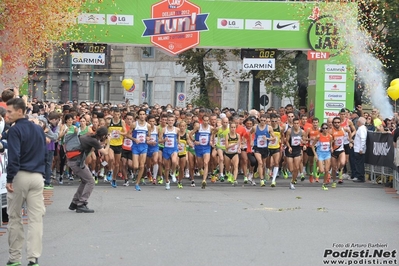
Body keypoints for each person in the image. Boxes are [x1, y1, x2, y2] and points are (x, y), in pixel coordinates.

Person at [6, 98, 47, 266]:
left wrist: (9, 178)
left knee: (15, 217)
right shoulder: (38, 129)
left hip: (20, 175)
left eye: (10, 111)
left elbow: (14, 156)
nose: (7, 115)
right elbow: (45, 153)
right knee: (36, 219)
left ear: (20, 111)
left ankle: (15, 258)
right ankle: (33, 258)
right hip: (37, 176)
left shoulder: (15, 131)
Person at [68, 126, 110, 213]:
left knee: (85, 181)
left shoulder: (88, 137)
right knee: (91, 181)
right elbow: (105, 152)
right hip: (77, 163)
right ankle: (81, 204)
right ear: (103, 136)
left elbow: (94, 148)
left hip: (74, 161)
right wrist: (109, 142)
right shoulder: (93, 140)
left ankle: (75, 202)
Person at [352, 117, 367, 182]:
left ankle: (360, 177)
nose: (356, 123)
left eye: (357, 121)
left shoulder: (361, 129)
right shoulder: (361, 129)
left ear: (359, 122)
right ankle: (359, 176)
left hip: (359, 150)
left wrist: (361, 148)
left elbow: (363, 139)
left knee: (359, 164)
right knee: (358, 163)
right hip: (357, 149)